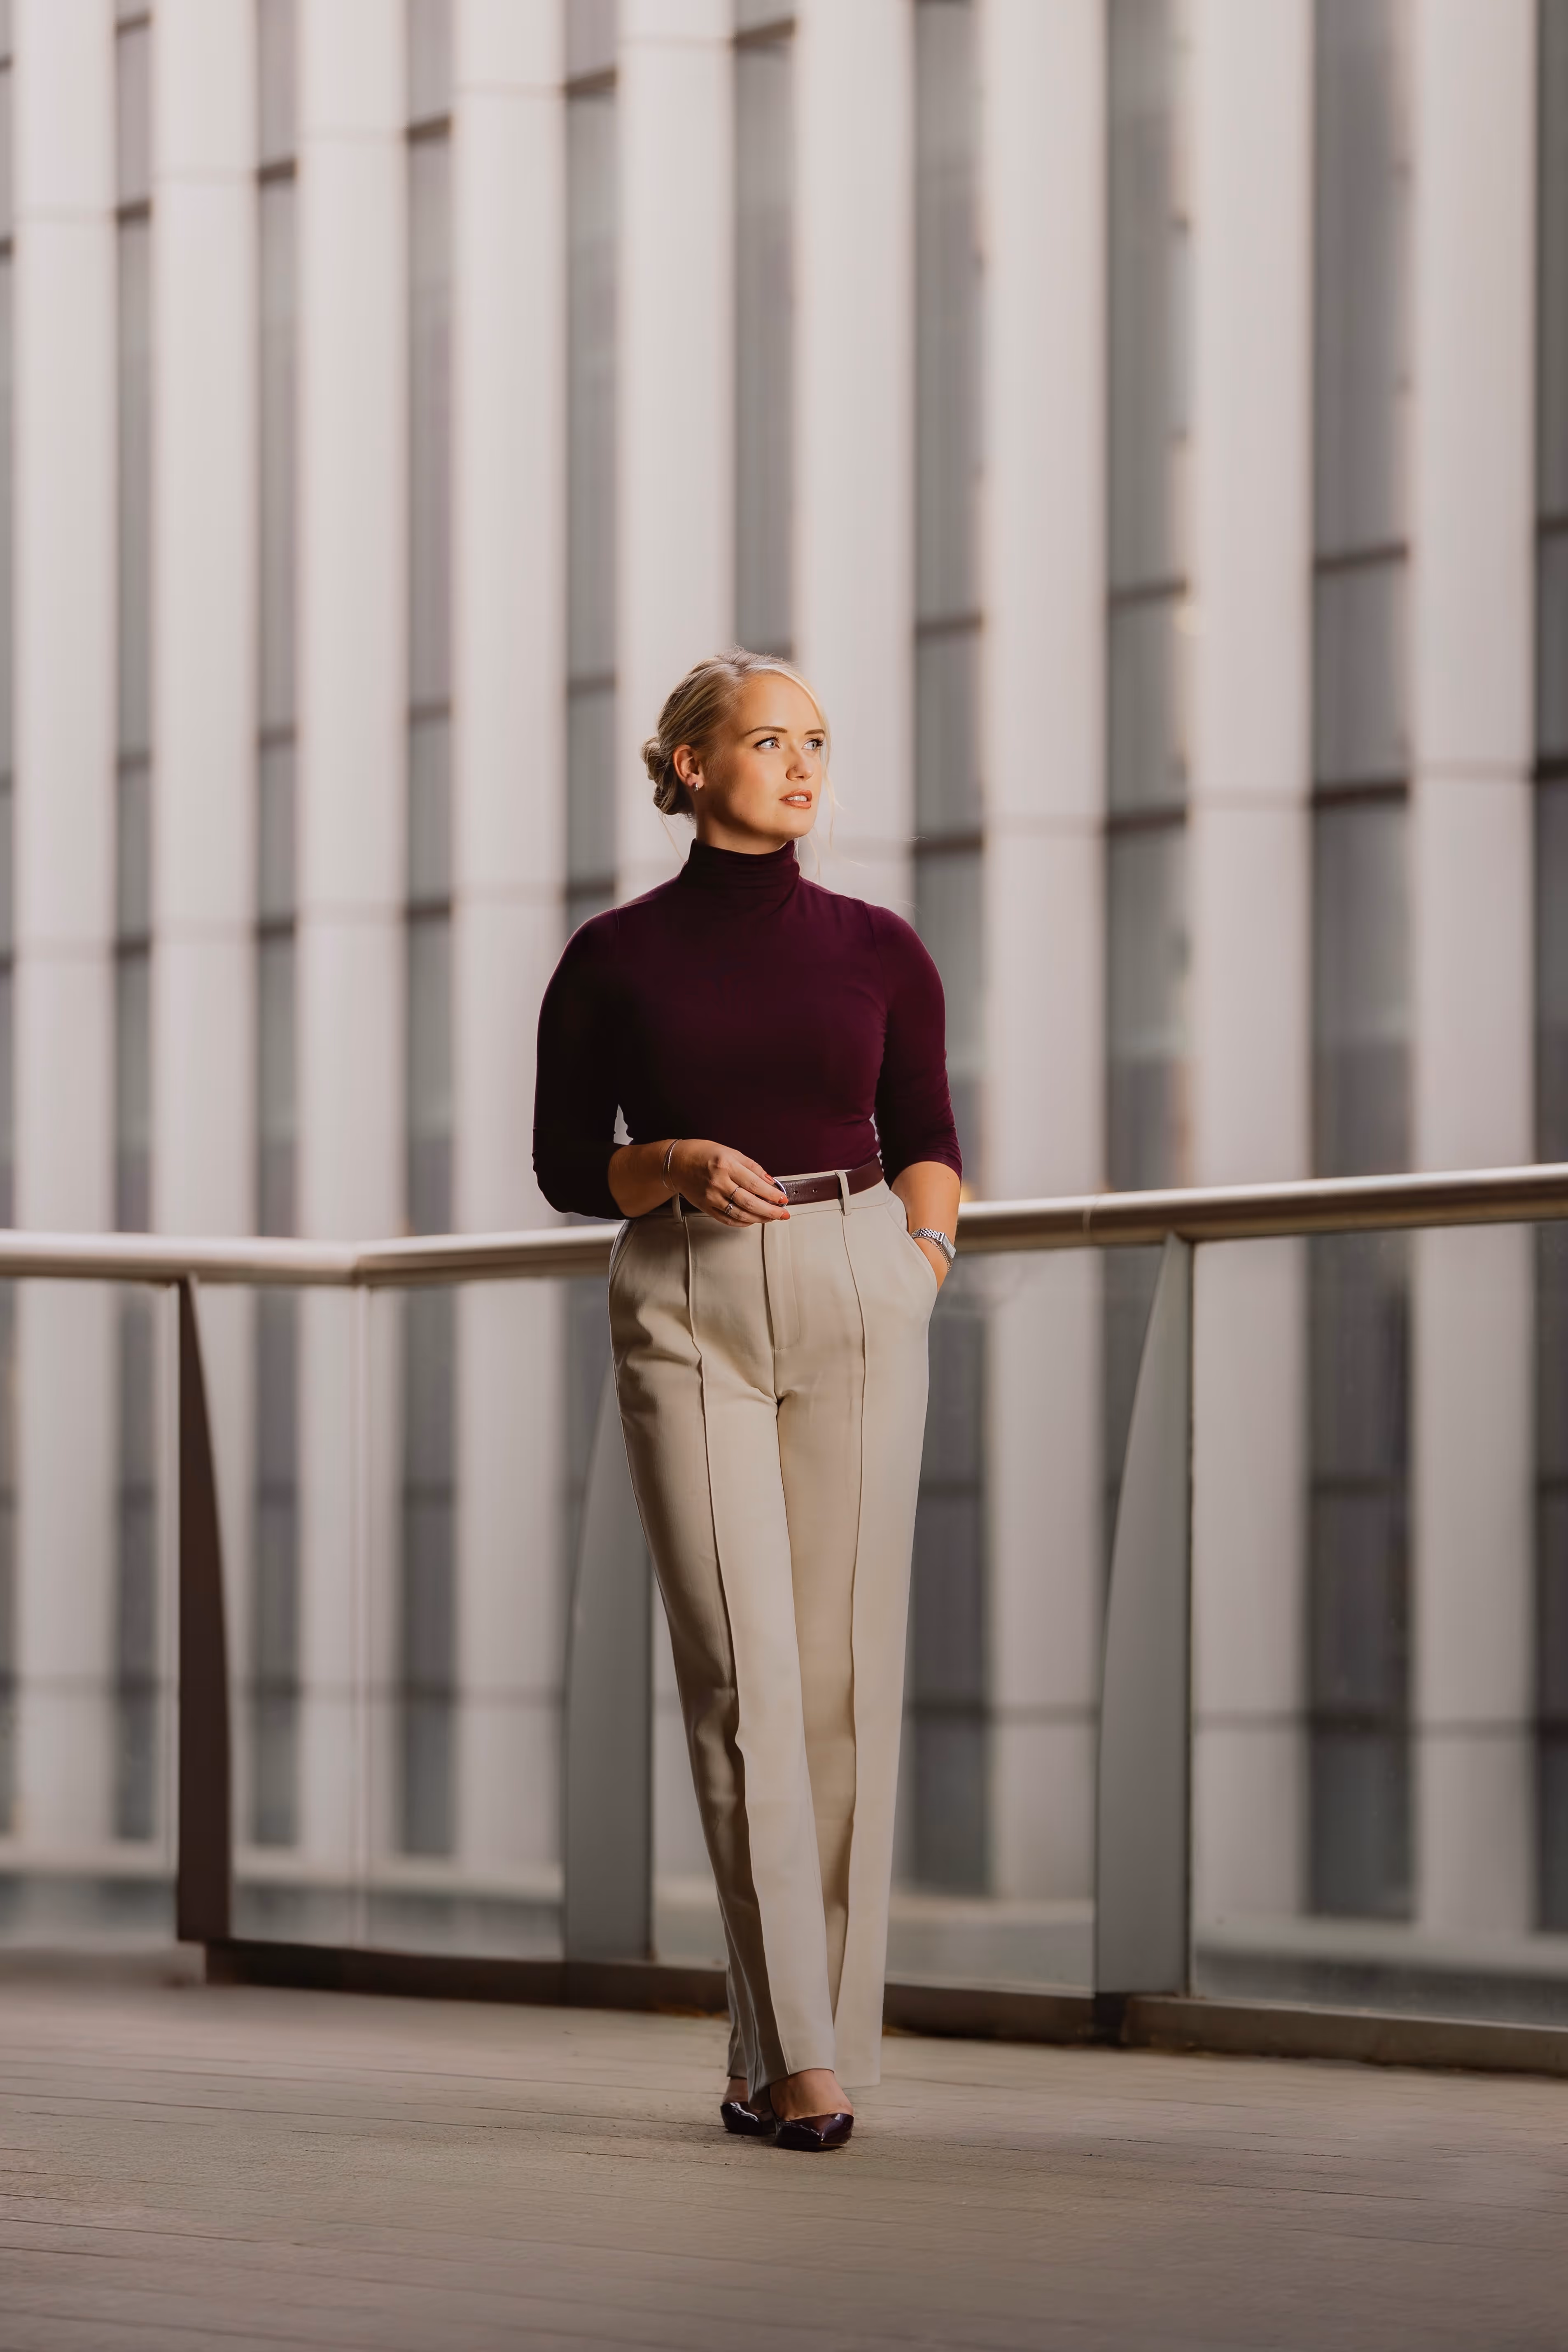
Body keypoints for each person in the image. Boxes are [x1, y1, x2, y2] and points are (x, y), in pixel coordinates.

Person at [532, 649, 961, 2151]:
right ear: (693, 765)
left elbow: (928, 1132)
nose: (801, 764)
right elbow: (563, 1162)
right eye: (769, 740)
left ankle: (779, 2049)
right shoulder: (614, 956)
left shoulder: (881, 947)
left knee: (842, 1690)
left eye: (818, 742)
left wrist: (921, 1259)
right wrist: (676, 1163)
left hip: (861, 1286)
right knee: (741, 1688)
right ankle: (806, 2065)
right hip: (686, 1299)